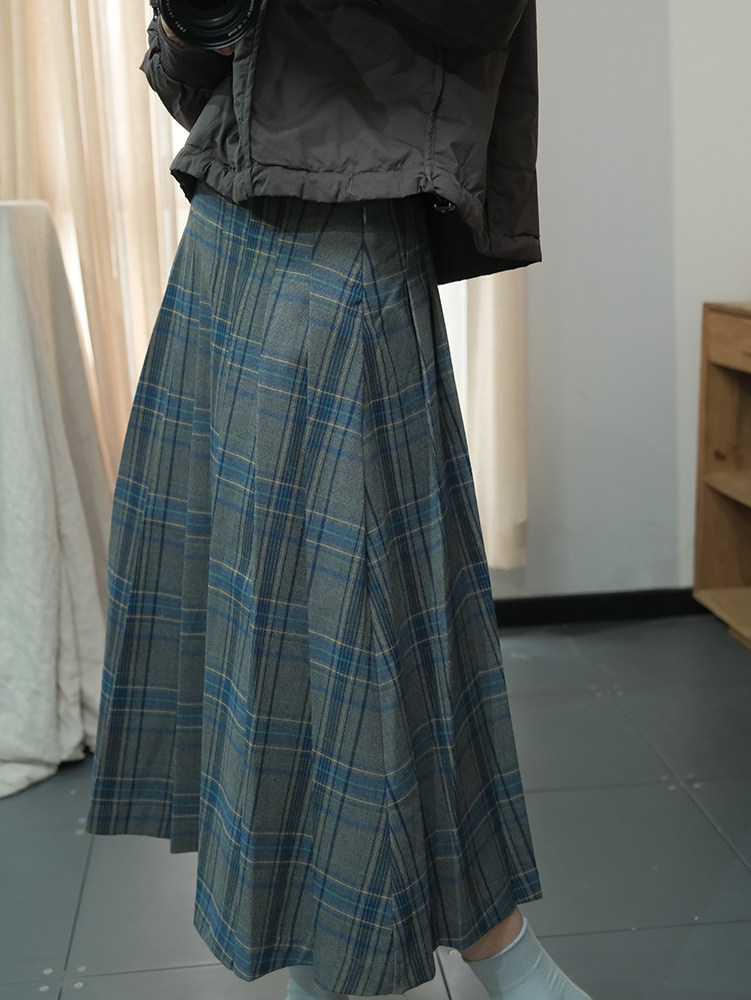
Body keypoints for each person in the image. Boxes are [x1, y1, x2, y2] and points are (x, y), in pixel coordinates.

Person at [87, 2, 592, 998]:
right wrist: (191, 24)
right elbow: (193, 75)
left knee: (356, 623)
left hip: (346, 234)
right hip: (232, 231)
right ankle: (449, 959)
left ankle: (469, 958)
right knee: (277, 627)